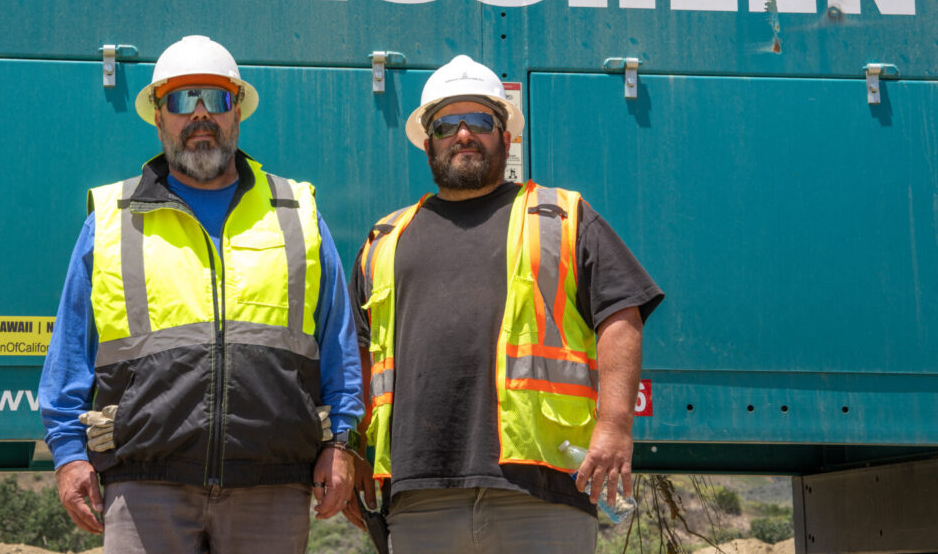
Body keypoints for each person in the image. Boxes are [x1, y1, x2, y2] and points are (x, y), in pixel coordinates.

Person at [40, 35, 363, 554]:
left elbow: (339, 346)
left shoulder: (295, 213)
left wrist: (341, 444)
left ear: (237, 113)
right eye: (180, 101)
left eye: (215, 99)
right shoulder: (112, 218)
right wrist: (68, 454)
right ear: (158, 117)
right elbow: (70, 352)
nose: (199, 116)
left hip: (272, 486)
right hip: (146, 483)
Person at [343, 55, 663, 554]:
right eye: (448, 123)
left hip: (542, 491)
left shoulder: (563, 216)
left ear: (506, 137)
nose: (464, 135)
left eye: (481, 122)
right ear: (428, 143)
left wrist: (615, 425)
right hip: (418, 494)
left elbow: (621, 314)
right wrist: (350, 449)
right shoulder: (384, 239)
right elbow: (358, 357)